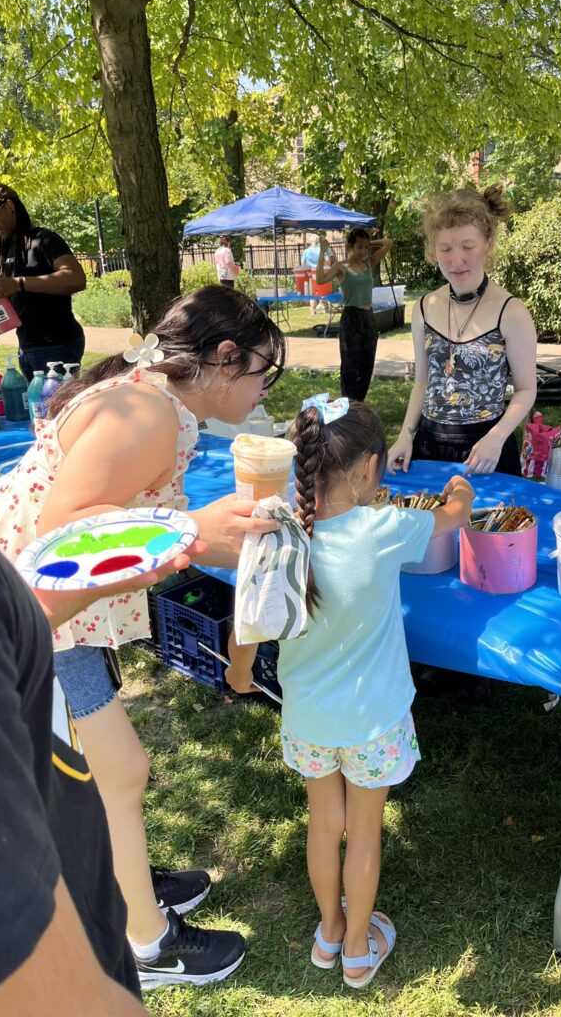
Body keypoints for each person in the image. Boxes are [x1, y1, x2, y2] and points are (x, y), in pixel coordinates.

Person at [0, 1, 182, 1010]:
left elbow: (68, 278)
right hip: (49, 618)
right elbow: (54, 559)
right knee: (114, 764)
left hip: (50, 355)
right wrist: (181, 541)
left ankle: (138, 900)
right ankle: (149, 923)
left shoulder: (40, 243)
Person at [0, 283, 286, 990]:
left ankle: (124, 873)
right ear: (225, 358)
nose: (264, 389)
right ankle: (149, 943)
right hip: (27, 598)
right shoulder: (148, 413)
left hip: (44, 599)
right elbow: (61, 537)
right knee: (120, 771)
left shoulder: (154, 401)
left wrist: (197, 529)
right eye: (263, 371)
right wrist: (192, 532)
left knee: (104, 769)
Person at [226, 396, 474, 989]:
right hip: (375, 722)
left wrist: (239, 675)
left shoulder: (277, 530)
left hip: (308, 718)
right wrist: (461, 487)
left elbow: (248, 620)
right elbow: (455, 516)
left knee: (323, 825)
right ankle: (359, 950)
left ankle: (330, 931)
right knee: (364, 832)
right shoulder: (385, 528)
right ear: (368, 467)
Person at [387, 186, 537, 477]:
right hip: (428, 447)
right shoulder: (424, 307)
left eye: (468, 247)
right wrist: (405, 435)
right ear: (433, 250)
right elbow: (422, 383)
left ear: (488, 244)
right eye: (445, 249)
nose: (456, 261)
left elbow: (526, 390)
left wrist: (497, 437)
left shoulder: (511, 312)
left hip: (485, 451)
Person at [0, 183, 87, 380]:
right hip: (27, 347)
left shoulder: (44, 240)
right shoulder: (8, 248)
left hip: (57, 345)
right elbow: (17, 302)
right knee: (36, 400)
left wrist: (19, 283)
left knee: (60, 400)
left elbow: (76, 278)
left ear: (10, 206)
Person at [315, 227, 393, 401]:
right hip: (351, 317)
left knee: (367, 363)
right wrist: (322, 252)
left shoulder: (369, 263)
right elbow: (320, 279)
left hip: (368, 318)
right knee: (350, 364)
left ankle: (359, 403)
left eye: (366, 248)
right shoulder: (341, 267)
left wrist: (369, 242)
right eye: (359, 247)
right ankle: (348, 402)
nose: (363, 251)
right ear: (349, 246)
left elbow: (389, 243)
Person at [301, 233, 334, 316]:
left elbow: (303, 264)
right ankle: (325, 308)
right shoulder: (323, 250)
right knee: (324, 290)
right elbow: (328, 261)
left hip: (311, 273)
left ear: (310, 241)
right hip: (323, 272)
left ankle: (313, 311)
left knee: (312, 292)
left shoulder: (306, 251)